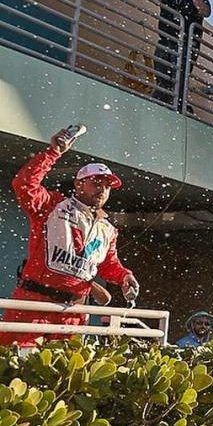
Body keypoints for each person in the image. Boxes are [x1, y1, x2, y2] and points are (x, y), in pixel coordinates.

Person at [0, 130, 139, 347]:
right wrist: (53, 152)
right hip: (32, 303)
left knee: (63, 376)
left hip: (74, 312)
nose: (102, 189)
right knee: (13, 370)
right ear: (78, 184)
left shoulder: (108, 229)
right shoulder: (52, 206)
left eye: (107, 185)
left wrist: (124, 277)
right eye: (95, 182)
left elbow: (108, 264)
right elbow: (24, 185)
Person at [150, 0, 211, 106]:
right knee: (162, 74)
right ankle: (161, 102)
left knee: (181, 77)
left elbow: (205, 11)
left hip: (188, 43)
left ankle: (178, 103)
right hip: (166, 40)